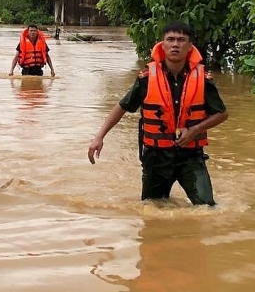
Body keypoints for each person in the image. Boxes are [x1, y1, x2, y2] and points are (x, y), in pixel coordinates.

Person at [87, 21, 228, 206]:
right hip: (156, 157)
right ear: (162, 44)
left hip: (191, 157)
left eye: (181, 40)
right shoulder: (147, 78)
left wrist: (194, 130)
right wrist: (99, 137)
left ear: (189, 46)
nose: (175, 44)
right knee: (152, 209)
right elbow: (122, 107)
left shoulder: (203, 79)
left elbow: (222, 114)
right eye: (170, 39)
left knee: (208, 207)